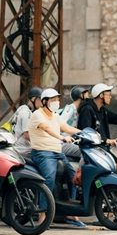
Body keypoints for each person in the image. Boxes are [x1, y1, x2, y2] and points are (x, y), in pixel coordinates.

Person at [29, 88, 84, 226]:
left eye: (57, 99)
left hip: (57, 152)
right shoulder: (37, 114)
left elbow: (68, 128)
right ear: (44, 102)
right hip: (42, 153)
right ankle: (43, 213)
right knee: (49, 179)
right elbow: (46, 128)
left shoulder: (54, 115)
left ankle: (69, 212)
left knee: (73, 176)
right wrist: (61, 137)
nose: (56, 102)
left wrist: (86, 133)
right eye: (53, 100)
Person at [79, 83, 117, 179]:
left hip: (103, 150)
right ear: (101, 95)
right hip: (94, 151)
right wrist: (106, 140)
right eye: (108, 94)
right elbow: (85, 132)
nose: (110, 96)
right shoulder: (87, 110)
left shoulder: (102, 111)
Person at [12, 86, 43, 159]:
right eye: (40, 100)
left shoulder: (22, 108)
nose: (42, 103)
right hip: (23, 151)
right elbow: (27, 135)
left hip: (21, 148)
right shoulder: (26, 113)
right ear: (33, 99)